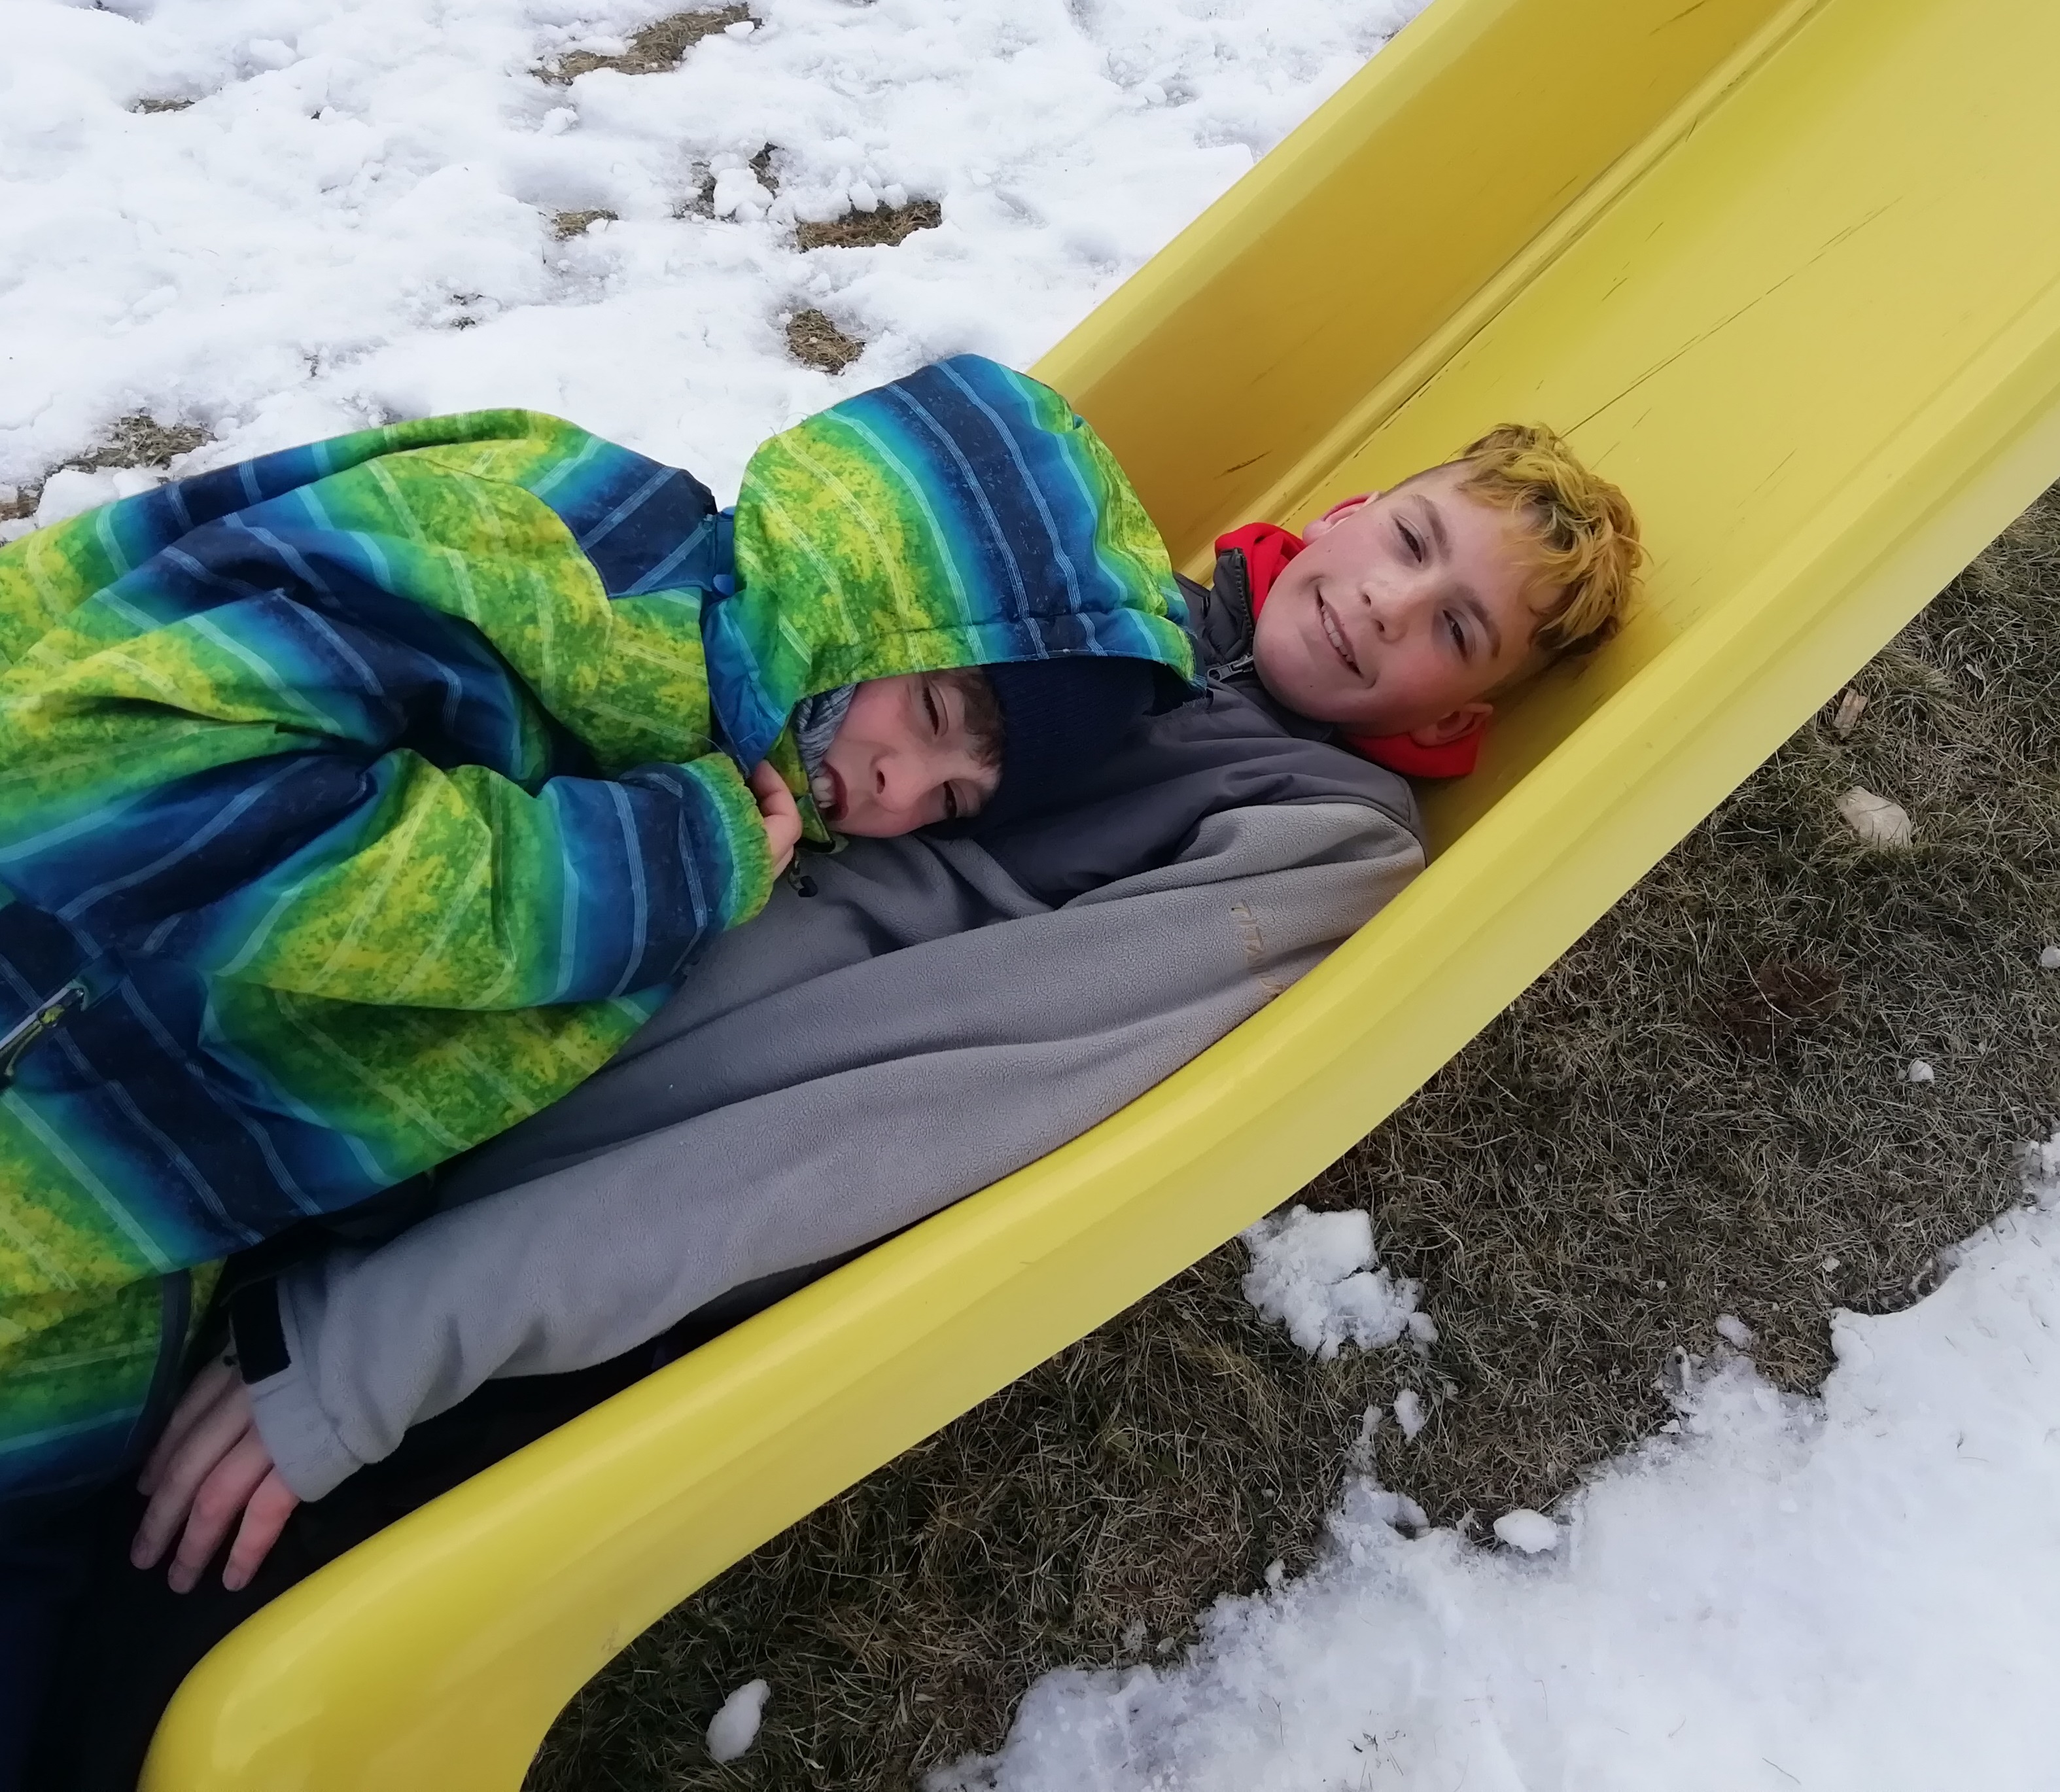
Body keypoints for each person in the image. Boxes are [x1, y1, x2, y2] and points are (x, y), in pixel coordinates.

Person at [0, 359, 1198, 1580]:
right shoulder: (556, 555)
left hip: (125, 1243)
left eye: (951, 800)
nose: (899, 788)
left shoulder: (735, 801)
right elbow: (112, 790)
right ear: (871, 574)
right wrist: (648, 869)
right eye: (936, 712)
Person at [1206, 422, 1644, 779]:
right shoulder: (1164, 592)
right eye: (1411, 541)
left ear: (1448, 721)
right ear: (1342, 516)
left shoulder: (1338, 827)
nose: (1390, 605)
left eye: (1456, 630)